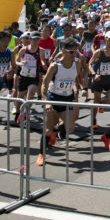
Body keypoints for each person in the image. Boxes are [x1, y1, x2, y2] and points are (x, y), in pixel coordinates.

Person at [37, 38, 80, 166]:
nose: (74, 54)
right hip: (53, 99)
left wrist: (77, 90)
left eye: (75, 51)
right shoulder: (55, 66)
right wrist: (46, 102)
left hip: (67, 100)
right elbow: (44, 85)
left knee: (70, 128)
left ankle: (57, 129)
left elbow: (74, 80)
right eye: (71, 52)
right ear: (63, 51)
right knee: (47, 130)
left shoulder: (76, 64)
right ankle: (41, 154)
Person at [88, 31, 110, 129]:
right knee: (96, 99)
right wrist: (94, 74)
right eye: (109, 39)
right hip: (99, 79)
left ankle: (101, 104)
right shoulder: (99, 52)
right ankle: (93, 119)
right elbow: (89, 64)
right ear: (105, 39)